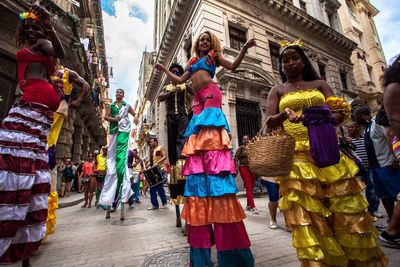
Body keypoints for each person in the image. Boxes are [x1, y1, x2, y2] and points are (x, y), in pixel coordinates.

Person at [265, 39, 387, 266]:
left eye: (295, 58)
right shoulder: (277, 89)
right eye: (285, 61)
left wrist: (324, 118)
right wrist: (285, 115)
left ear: (303, 62)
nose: (290, 63)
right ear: (281, 66)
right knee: (309, 213)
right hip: (297, 155)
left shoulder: (320, 84)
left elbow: (341, 112)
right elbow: (270, 122)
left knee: (343, 207)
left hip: (328, 150)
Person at [154, 30, 256, 266]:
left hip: (211, 95)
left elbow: (231, 67)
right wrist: (164, 71)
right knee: (198, 143)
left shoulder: (213, 56)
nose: (205, 41)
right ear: (197, 44)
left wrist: (243, 50)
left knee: (211, 139)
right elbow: (180, 81)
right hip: (197, 101)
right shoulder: (192, 62)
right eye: (202, 39)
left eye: (207, 39)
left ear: (211, 43)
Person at [0, 5, 65, 265]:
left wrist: (48, 26)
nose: (32, 31)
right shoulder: (26, 51)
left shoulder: (42, 46)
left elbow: (58, 52)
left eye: (35, 27)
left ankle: (23, 240)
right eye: (28, 28)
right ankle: (20, 237)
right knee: (24, 163)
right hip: (32, 107)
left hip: (37, 110)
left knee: (23, 161)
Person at [158, 63, 192, 227]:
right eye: (173, 71)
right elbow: (160, 98)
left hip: (183, 118)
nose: (175, 73)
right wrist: (172, 91)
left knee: (182, 152)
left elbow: (197, 89)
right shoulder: (167, 87)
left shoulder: (186, 85)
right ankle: (178, 215)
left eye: (178, 71)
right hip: (171, 119)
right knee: (173, 156)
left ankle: (183, 165)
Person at [99, 89, 136, 220]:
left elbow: (133, 113)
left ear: (123, 95)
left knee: (121, 155)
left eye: (121, 93)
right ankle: (112, 201)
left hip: (124, 130)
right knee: (112, 154)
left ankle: (120, 165)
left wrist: (136, 117)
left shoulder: (126, 105)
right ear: (116, 95)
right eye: (118, 93)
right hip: (115, 129)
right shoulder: (111, 106)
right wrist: (113, 118)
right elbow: (106, 117)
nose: (119, 94)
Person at [379, 55, 400, 247]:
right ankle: (392, 231)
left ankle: (392, 231)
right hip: (385, 159)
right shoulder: (394, 89)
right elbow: (393, 128)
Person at [346, 121, 382, 218]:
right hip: (357, 170)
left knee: (372, 190)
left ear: (357, 127)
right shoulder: (347, 141)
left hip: (368, 168)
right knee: (356, 191)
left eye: (352, 127)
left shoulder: (364, 139)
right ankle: (359, 212)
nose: (350, 129)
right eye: (348, 128)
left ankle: (373, 210)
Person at [234, 135, 259, 215]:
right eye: (244, 139)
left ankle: (248, 204)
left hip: (252, 168)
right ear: (242, 141)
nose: (246, 141)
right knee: (248, 186)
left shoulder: (253, 147)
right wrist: (236, 167)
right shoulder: (241, 148)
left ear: (250, 140)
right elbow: (236, 157)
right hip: (243, 168)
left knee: (251, 185)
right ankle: (253, 206)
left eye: (247, 139)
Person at [146, 138, 168, 210]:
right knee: (152, 187)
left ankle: (164, 203)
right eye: (150, 142)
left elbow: (165, 156)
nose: (150, 143)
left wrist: (157, 163)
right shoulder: (152, 151)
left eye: (152, 142)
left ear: (156, 142)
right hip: (153, 170)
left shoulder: (161, 148)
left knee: (159, 187)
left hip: (160, 169)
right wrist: (149, 164)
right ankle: (155, 205)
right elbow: (152, 161)